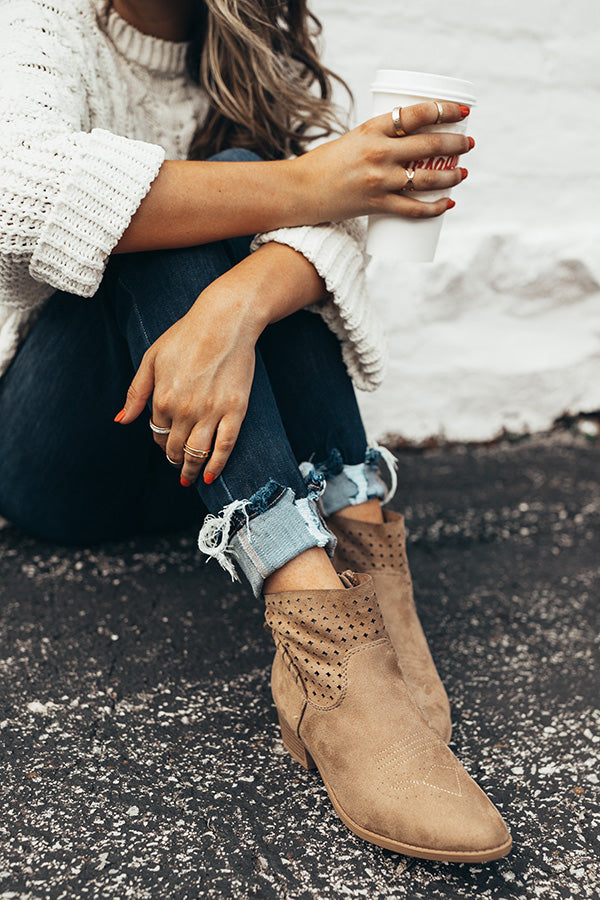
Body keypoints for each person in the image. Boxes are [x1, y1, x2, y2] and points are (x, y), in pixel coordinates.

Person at [0, 0, 511, 862]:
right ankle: (312, 613)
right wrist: (310, 184)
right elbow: (20, 192)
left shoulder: (249, 40)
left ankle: (360, 555)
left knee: (244, 192)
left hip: (208, 457)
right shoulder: (45, 23)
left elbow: (344, 238)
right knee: (186, 193)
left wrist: (238, 305)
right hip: (62, 456)